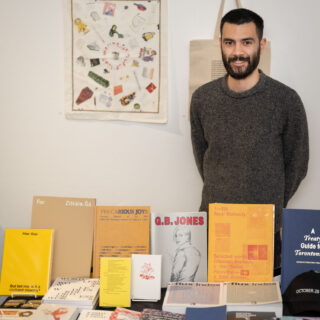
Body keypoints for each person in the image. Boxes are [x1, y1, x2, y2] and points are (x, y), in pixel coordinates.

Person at [190, 8, 309, 270]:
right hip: (214, 235)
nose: (238, 52)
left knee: (261, 309)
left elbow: (297, 164)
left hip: (264, 235)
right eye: (229, 42)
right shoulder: (202, 99)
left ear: (261, 45)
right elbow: (204, 161)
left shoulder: (286, 100)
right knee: (214, 309)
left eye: (247, 42)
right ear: (220, 44)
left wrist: (270, 206)